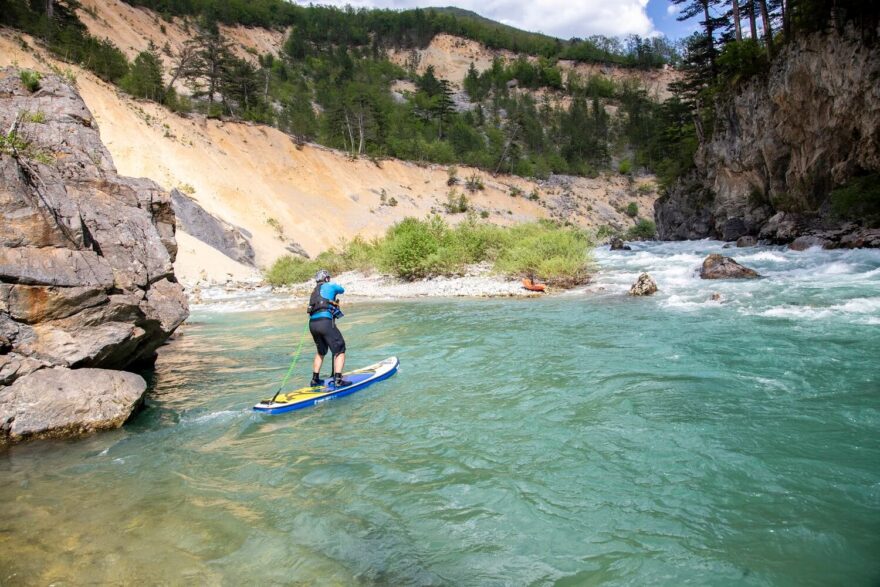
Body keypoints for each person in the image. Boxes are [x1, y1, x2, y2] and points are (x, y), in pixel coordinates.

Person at [307, 269, 350, 388]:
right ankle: (338, 380)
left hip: (313, 324)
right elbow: (341, 289)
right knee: (340, 349)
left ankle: (315, 380)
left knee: (321, 351)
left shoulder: (314, 291)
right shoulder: (330, 285)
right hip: (325, 322)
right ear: (326, 278)